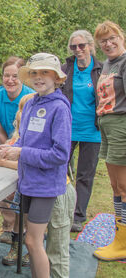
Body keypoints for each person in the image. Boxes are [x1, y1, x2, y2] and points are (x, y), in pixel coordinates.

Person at [0, 53, 71, 278]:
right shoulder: (30, 105)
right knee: (29, 240)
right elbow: (25, 140)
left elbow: (60, 154)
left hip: (45, 185)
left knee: (32, 240)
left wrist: (21, 152)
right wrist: (10, 148)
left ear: (57, 78)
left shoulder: (59, 108)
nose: (39, 77)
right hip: (27, 182)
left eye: (45, 72)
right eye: (34, 73)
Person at [0, 56, 35, 243]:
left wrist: (15, 150)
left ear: (22, 77)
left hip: (26, 144)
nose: (10, 80)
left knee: (22, 187)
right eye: (7, 75)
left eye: (15, 76)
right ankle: (8, 226)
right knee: (2, 184)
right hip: (6, 141)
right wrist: (7, 149)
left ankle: (24, 228)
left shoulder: (30, 97)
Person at [61, 30, 102, 232]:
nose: (78, 50)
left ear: (90, 45)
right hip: (67, 128)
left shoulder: (101, 69)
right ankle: (61, 210)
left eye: (82, 46)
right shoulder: (65, 69)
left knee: (85, 175)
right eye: (73, 47)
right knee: (62, 171)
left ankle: (78, 216)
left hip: (92, 130)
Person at [92, 21, 126, 261]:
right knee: (116, 187)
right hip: (106, 124)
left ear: (121, 37)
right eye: (103, 40)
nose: (108, 43)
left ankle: (123, 243)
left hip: (121, 124)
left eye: (112, 37)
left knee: (124, 187)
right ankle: (119, 237)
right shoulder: (106, 65)